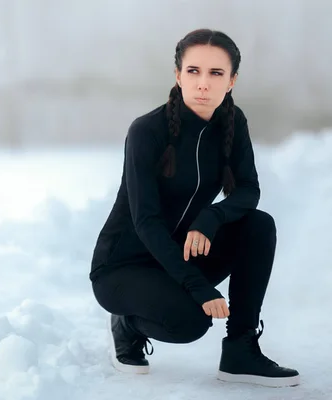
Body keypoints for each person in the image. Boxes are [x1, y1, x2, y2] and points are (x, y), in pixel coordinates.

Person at [89, 28, 300, 388]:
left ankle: (240, 350)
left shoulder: (233, 123)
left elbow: (248, 189)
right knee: (191, 322)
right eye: (193, 71)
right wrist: (199, 288)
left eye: (216, 73)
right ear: (178, 75)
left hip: (181, 254)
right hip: (123, 268)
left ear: (231, 81)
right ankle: (126, 323)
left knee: (258, 226)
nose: (203, 83)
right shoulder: (147, 132)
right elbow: (146, 221)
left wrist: (211, 217)